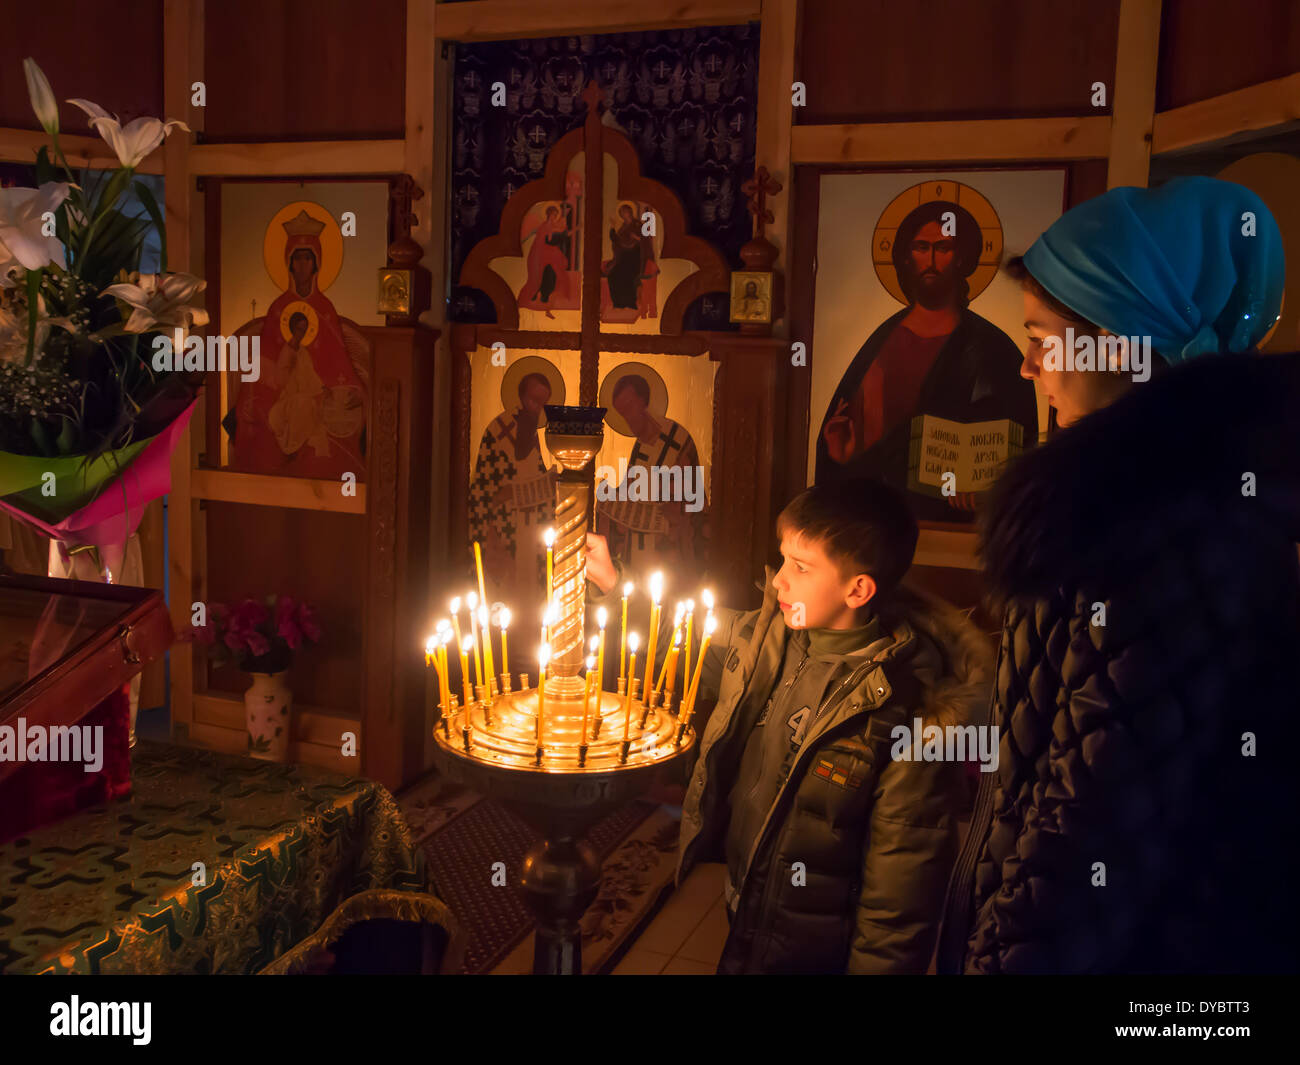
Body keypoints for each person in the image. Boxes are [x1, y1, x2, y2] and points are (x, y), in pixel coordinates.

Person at [937, 176, 1300, 974]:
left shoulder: (1154, 534)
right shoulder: (1157, 502)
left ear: (1124, 339)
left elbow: (1087, 823)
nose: (1029, 367)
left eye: (1043, 336)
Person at [585, 478, 993, 973]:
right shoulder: (769, 641)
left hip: (819, 947)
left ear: (858, 589)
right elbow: (685, 640)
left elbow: (900, 899)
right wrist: (612, 583)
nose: (778, 580)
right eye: (783, 560)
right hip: (749, 905)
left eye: (800, 567)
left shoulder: (908, 717)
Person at [816, 199, 1038, 521]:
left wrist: (985, 485)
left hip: (945, 526)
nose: (931, 260)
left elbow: (1016, 436)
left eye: (943, 248)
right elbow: (863, 450)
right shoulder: (882, 341)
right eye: (922, 247)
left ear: (962, 259)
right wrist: (842, 456)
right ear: (907, 257)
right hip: (874, 520)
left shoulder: (991, 347)